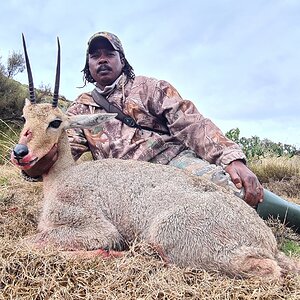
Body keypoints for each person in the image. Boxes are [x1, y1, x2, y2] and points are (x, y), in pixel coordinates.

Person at [23, 31, 264, 207]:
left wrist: (231, 159)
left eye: (109, 53)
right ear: (88, 65)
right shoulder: (78, 110)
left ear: (122, 60)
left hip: (172, 165)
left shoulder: (150, 87)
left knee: (229, 193)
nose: (102, 59)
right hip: (125, 184)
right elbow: (60, 150)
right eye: (95, 56)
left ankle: (288, 216)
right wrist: (34, 166)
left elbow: (192, 123)